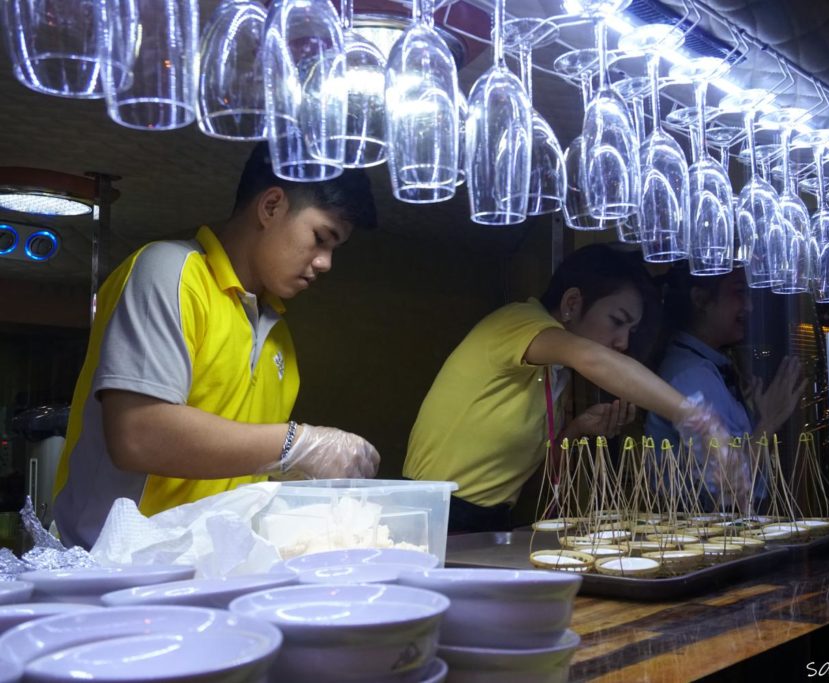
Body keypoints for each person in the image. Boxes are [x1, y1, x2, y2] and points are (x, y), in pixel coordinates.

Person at [52, 143, 381, 548]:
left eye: (334, 249)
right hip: (118, 566)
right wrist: (298, 445)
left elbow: (242, 465)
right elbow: (137, 434)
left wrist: (299, 471)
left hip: (212, 568)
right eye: (320, 238)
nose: (325, 263)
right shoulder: (171, 272)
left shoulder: (279, 337)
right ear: (272, 206)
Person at [402, 244, 730, 534]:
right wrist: (695, 416)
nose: (623, 342)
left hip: (487, 524)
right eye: (618, 321)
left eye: (631, 330)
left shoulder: (551, 370)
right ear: (572, 303)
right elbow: (594, 360)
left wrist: (577, 429)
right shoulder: (516, 322)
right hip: (434, 517)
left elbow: (539, 470)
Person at [645, 265, 807, 506]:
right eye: (739, 292)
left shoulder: (708, 367)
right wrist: (770, 421)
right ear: (700, 300)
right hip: (705, 533)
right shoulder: (692, 375)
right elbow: (722, 488)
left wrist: (755, 416)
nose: (749, 306)